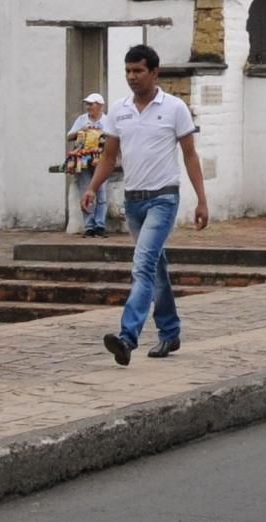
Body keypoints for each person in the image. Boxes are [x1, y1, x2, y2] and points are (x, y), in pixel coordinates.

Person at [81, 44, 209, 365]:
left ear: (154, 72)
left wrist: (202, 200)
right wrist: (93, 188)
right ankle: (170, 332)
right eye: (128, 71)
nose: (132, 77)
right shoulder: (120, 111)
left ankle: (127, 337)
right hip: (134, 200)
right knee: (156, 269)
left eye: (138, 71)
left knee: (142, 265)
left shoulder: (175, 108)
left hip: (163, 198)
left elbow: (190, 155)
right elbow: (109, 156)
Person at [66, 91, 112, 235]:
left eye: (91, 104)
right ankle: (88, 225)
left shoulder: (107, 121)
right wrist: (82, 130)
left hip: (101, 160)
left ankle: (100, 225)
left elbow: (114, 139)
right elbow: (69, 136)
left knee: (101, 192)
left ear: (100, 106)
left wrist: (102, 136)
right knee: (85, 190)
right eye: (87, 104)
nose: (88, 107)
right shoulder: (82, 119)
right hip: (84, 159)